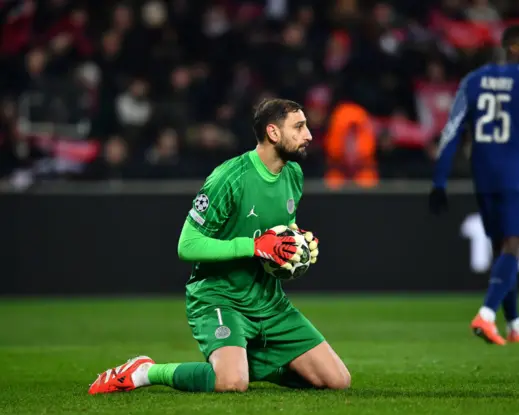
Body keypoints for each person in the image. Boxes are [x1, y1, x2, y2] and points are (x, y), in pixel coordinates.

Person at [88, 98, 351, 394]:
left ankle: (244, 363)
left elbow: (278, 234)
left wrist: (295, 246)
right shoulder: (229, 177)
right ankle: (146, 372)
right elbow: (187, 245)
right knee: (231, 383)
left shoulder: (294, 175)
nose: (309, 135)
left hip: (268, 301)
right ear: (273, 133)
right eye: (299, 127)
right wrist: (253, 247)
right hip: (220, 298)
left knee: (337, 381)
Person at [428, 25, 519, 345]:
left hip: (484, 175)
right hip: (517, 174)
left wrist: (440, 181)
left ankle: (515, 325)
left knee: (501, 249)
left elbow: (451, 133)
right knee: (514, 244)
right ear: (515, 49)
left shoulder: (472, 81)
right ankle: (487, 314)